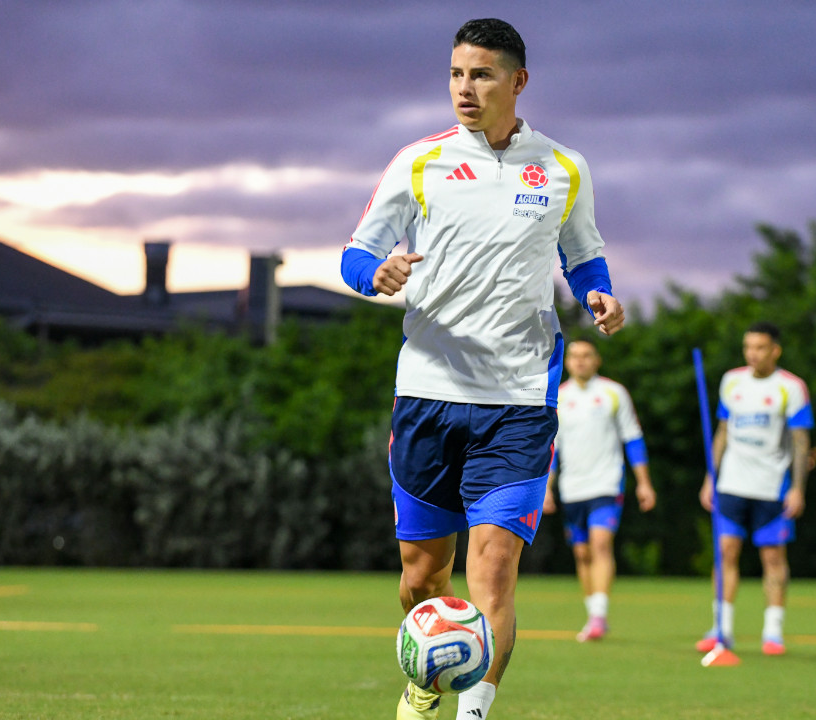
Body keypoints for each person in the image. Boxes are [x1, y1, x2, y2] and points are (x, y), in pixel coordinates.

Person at [339, 18, 625, 720]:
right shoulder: (418, 162)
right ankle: (426, 679)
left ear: (517, 81)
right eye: (456, 74)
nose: (465, 89)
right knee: (421, 578)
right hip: (428, 392)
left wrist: (598, 293)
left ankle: (473, 713)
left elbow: (583, 254)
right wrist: (377, 273)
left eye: (482, 75)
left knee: (492, 567)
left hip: (520, 399)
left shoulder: (564, 167)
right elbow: (354, 255)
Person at [697, 321, 812, 656]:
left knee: (773, 558)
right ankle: (721, 628)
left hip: (772, 487)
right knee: (725, 552)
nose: (752, 354)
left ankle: (773, 632)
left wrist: (798, 488)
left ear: (775, 350)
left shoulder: (792, 387)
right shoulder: (732, 381)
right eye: (748, 347)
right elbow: (722, 432)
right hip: (731, 484)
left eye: (760, 347)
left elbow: (801, 442)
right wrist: (710, 477)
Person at [543, 339, 655, 642]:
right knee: (582, 553)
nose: (580, 360)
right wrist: (547, 489)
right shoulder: (558, 397)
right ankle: (593, 612)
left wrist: (644, 482)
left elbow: (633, 437)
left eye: (586, 355)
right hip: (572, 488)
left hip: (606, 483)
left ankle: (598, 617)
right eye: (574, 356)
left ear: (597, 360)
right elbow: (552, 448)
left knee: (601, 544)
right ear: (567, 362)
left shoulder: (613, 393)